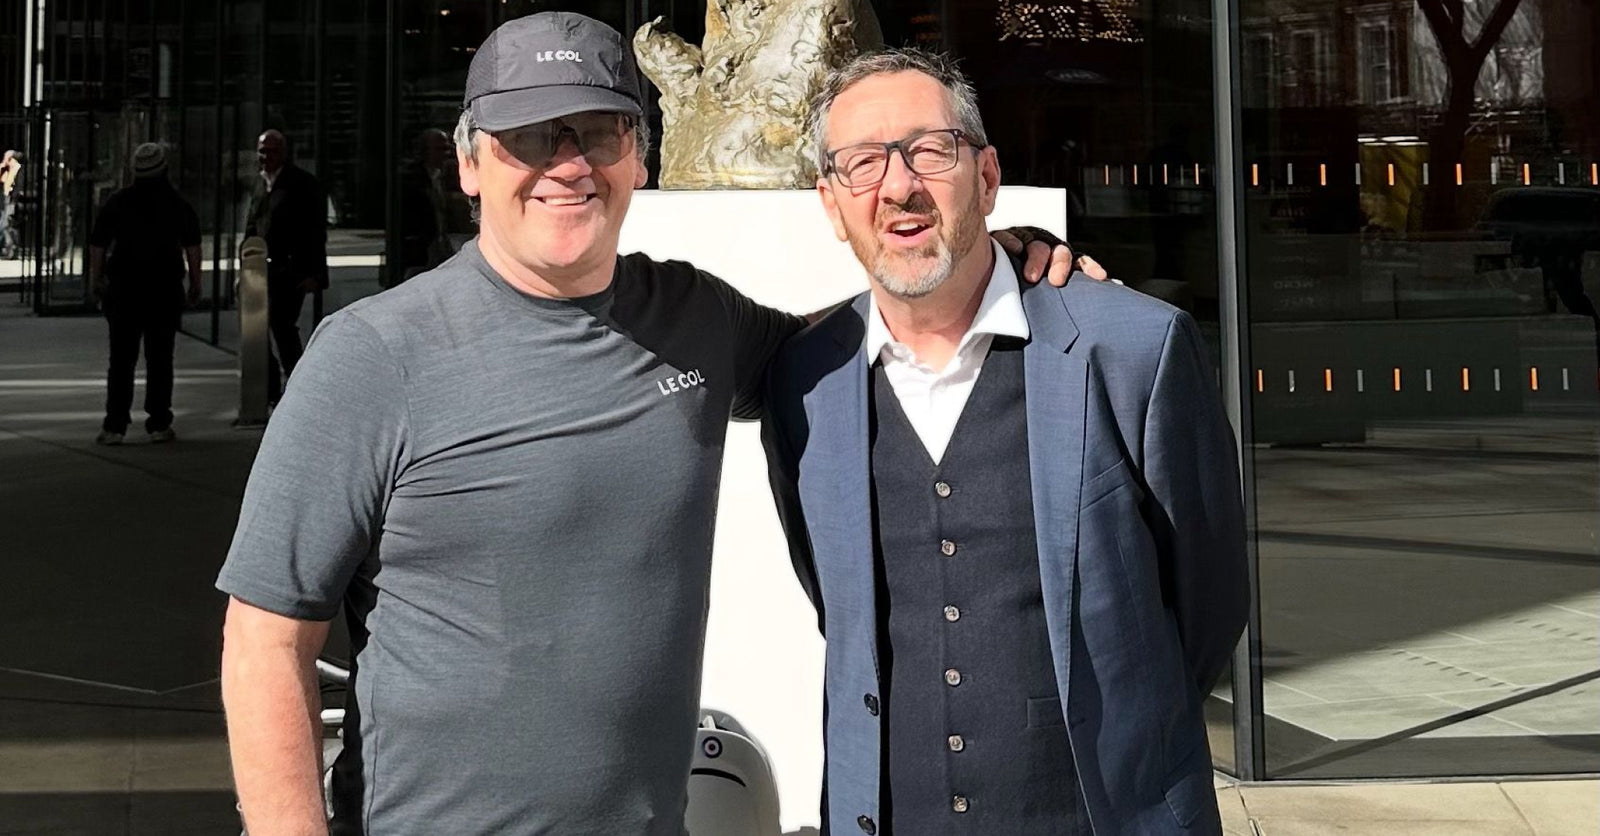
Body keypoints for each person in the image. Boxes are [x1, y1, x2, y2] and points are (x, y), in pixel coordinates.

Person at [216, 13, 1098, 836]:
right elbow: (264, 638)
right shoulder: (373, 355)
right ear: (469, 165)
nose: (567, 165)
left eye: (596, 132)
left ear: (637, 156)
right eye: (528, 137)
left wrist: (987, 255)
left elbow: (849, 351)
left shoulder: (694, 317)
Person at [761, 49, 1249, 836]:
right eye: (862, 164)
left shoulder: (1134, 352)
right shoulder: (803, 380)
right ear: (830, 202)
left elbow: (1210, 598)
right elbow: (835, 603)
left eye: (930, 150)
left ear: (986, 177)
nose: (898, 185)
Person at [88, 142, 202, 446]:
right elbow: (192, 246)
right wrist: (195, 283)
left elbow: (98, 243)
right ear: (164, 169)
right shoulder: (177, 204)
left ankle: (115, 425)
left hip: (124, 290)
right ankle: (159, 422)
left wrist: (96, 279)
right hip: (163, 290)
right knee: (160, 358)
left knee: (121, 360)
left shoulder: (118, 202)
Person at [245, 129, 328, 404]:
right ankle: (271, 390)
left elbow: (315, 231)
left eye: (272, 151)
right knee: (261, 329)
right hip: (261, 271)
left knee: (283, 327)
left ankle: (297, 385)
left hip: (291, 271)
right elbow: (253, 227)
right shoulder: (260, 184)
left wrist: (315, 273)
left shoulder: (302, 184)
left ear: (284, 152)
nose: (266, 157)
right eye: (262, 151)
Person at [395, 128, 457, 285]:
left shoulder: (442, 176)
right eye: (440, 149)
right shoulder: (412, 181)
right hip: (420, 251)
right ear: (424, 151)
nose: (446, 153)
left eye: (447, 148)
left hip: (438, 246)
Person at [1, 150, 20, 258]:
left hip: (13, 201)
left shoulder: (16, 169)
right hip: (8, 199)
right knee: (6, 225)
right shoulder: (9, 169)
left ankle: (12, 250)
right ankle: (10, 249)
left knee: (9, 225)